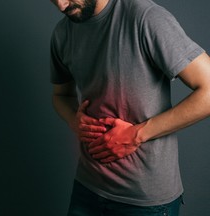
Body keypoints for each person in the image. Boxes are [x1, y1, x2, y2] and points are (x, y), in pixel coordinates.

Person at [49, 0, 210, 215]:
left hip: (144, 200)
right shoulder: (62, 33)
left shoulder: (146, 18)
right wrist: (73, 119)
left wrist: (136, 134)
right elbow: (62, 95)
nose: (61, 5)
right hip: (87, 188)